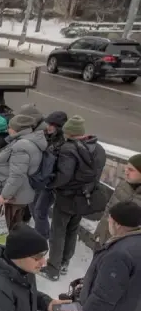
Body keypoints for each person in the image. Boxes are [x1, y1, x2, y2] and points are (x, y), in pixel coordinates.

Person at [40, 116, 106, 281]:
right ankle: (64, 263)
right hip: (85, 196)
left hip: (67, 197)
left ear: (69, 132)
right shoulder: (98, 148)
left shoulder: (68, 148)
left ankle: (52, 268)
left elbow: (64, 175)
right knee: (72, 229)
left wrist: (51, 184)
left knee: (58, 231)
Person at [0, 114, 47, 230]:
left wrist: (5, 195)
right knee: (11, 227)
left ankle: (1, 248)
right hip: (18, 193)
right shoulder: (26, 141)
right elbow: (18, 164)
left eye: (10, 127)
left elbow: (17, 174)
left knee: (3, 228)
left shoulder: (21, 145)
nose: (8, 129)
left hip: (12, 196)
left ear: (17, 129)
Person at [30, 111, 68, 239]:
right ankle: (41, 230)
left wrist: (52, 182)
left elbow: (63, 169)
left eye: (53, 125)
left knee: (40, 210)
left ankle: (42, 236)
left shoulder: (63, 144)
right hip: (41, 179)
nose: (48, 127)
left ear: (60, 127)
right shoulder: (46, 137)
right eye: (48, 124)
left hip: (50, 183)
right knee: (32, 205)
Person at [94, 154, 141, 247]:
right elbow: (109, 208)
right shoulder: (123, 185)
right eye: (126, 168)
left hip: (126, 248)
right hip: (104, 239)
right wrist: (100, 231)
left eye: (131, 170)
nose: (126, 172)